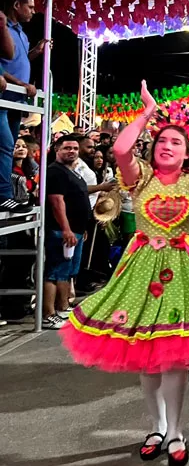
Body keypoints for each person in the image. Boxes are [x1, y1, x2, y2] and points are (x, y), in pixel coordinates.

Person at [60, 83, 189, 466]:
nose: (167, 146)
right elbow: (120, 149)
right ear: (153, 150)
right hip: (140, 275)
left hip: (183, 274)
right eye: (162, 142)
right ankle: (156, 427)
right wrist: (148, 112)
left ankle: (176, 432)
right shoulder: (141, 181)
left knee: (174, 361)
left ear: (187, 155)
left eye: (177, 143)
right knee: (146, 362)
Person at [42, 135, 92, 330]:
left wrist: (81, 229)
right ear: (57, 150)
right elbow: (57, 202)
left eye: (74, 148)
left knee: (66, 272)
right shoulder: (55, 172)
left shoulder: (72, 172)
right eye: (67, 148)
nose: (71, 151)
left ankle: (62, 307)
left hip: (76, 231)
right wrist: (66, 228)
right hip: (60, 231)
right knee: (55, 271)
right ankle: (48, 314)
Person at [0, 0, 43, 213]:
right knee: (6, 145)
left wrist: (35, 52)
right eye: (31, 7)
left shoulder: (22, 34)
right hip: (3, 98)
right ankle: (3, 194)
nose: (34, 12)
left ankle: (6, 194)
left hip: (16, 101)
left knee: (7, 146)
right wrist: (22, 84)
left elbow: (16, 59)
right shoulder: (2, 27)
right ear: (17, 5)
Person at [73, 134, 115, 209]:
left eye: (94, 147)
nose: (93, 150)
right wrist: (100, 187)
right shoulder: (75, 164)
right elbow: (76, 189)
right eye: (89, 147)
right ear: (78, 147)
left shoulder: (84, 163)